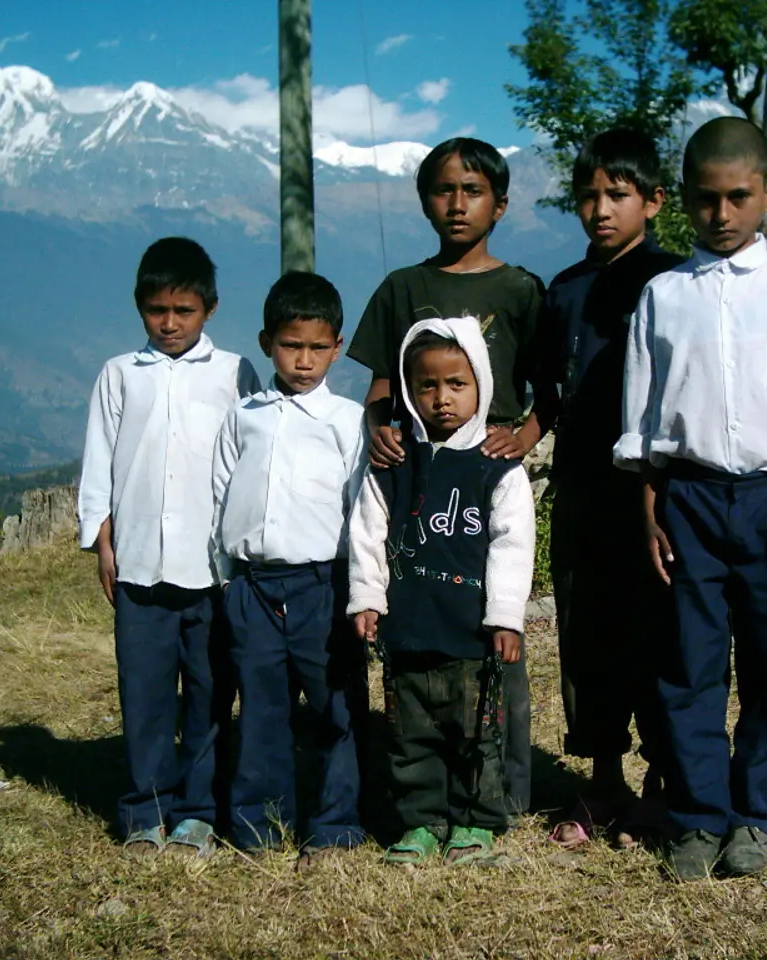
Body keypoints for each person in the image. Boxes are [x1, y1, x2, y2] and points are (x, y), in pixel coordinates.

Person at [614, 117, 767, 881]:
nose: (722, 214)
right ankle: (697, 817)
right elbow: (643, 412)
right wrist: (650, 504)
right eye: (707, 199)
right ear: (684, 197)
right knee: (690, 663)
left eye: (739, 197)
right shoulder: (664, 296)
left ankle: (755, 815)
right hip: (687, 496)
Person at [346, 137, 542, 814]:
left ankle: (501, 798)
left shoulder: (520, 289)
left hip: (489, 472)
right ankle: (423, 797)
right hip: (421, 469)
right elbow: (381, 384)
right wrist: (379, 428)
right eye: (444, 190)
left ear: (499, 205)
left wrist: (521, 439)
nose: (458, 204)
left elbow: (547, 388)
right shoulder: (403, 288)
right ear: (424, 201)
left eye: (473, 191)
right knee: (425, 641)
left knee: (494, 647)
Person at [78, 236, 260, 858]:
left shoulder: (234, 372)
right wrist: (102, 541)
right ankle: (144, 810)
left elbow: (250, 459)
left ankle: (199, 812)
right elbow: (99, 460)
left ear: (210, 308)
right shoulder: (119, 374)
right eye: (158, 310)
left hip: (210, 568)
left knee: (210, 692)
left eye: (184, 311)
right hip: (139, 564)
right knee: (145, 692)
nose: (170, 323)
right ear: (140, 307)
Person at [533, 129, 682, 848]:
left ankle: (661, 783)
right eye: (588, 196)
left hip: (659, 494)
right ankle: (602, 779)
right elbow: (545, 392)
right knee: (587, 635)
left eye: (617, 195)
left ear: (653, 201)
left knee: (659, 632)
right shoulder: (564, 289)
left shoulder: (675, 283)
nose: (600, 209)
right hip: (583, 490)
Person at [346, 317, 535, 865]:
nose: (442, 398)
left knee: (477, 733)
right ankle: (421, 822)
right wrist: (367, 598)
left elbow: (512, 544)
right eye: (426, 385)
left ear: (481, 385)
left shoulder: (497, 466)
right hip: (408, 631)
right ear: (408, 390)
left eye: (457, 383)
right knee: (411, 735)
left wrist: (506, 617)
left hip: (472, 634)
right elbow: (367, 532)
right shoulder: (392, 461)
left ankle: (475, 822)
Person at [211, 271, 367, 865]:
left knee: (335, 709)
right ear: (265, 342)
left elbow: (362, 510)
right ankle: (260, 827)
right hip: (252, 586)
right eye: (290, 345)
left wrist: (359, 590)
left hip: (322, 587)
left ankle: (334, 828)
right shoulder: (243, 416)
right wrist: (227, 581)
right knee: (261, 711)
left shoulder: (347, 421)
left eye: (317, 347)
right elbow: (220, 494)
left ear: (337, 346)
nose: (304, 360)